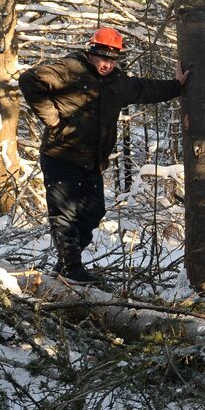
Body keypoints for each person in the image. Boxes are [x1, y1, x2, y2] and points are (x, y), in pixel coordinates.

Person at [18, 27, 188, 284]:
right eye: (102, 58)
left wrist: (177, 86)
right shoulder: (69, 69)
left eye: (112, 59)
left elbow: (144, 89)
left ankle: (65, 264)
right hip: (60, 156)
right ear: (91, 53)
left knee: (93, 212)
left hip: (91, 161)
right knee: (64, 214)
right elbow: (30, 80)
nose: (107, 64)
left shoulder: (117, 82)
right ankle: (72, 268)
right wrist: (51, 117)